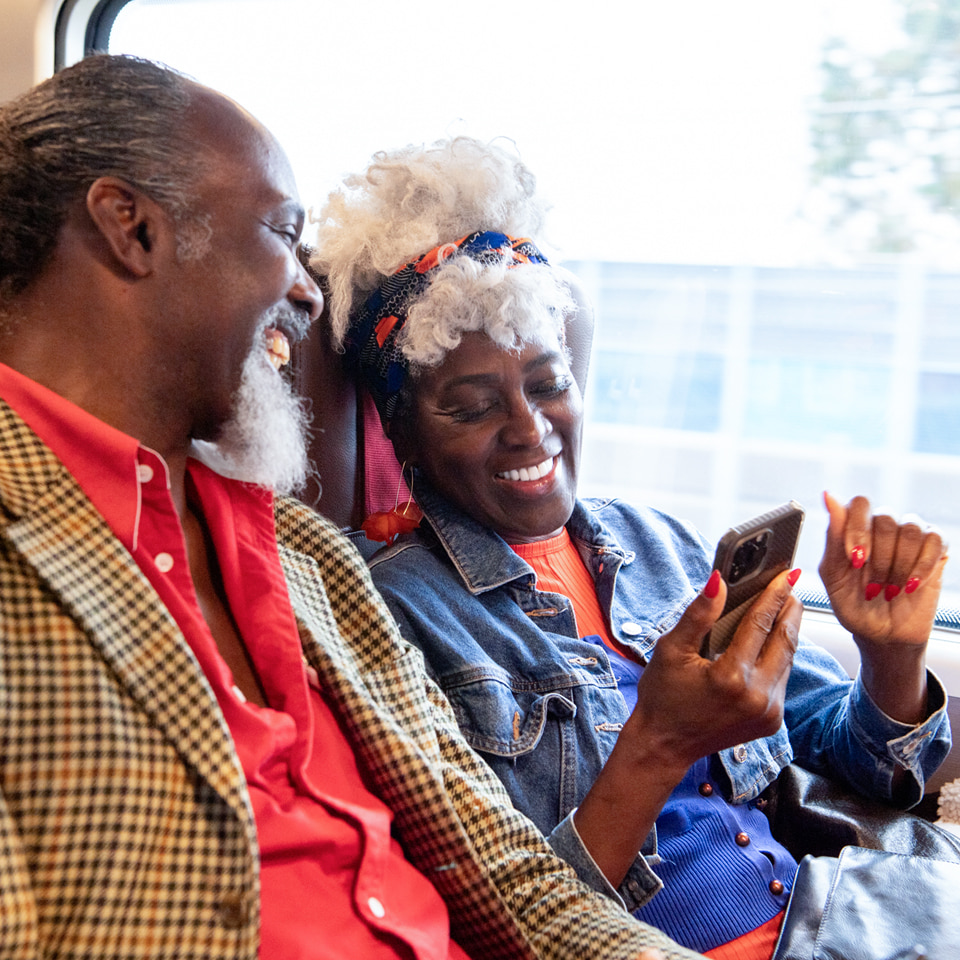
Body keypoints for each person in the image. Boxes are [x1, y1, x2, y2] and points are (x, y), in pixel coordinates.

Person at [0, 55, 701, 960]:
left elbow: (513, 880)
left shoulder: (302, 551)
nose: (304, 290)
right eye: (281, 235)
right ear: (129, 228)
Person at [309, 136, 953, 959]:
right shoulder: (388, 611)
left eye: (549, 385)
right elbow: (502, 925)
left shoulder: (656, 544)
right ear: (401, 432)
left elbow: (848, 758)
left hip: (824, 918)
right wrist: (660, 744)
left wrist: (888, 657)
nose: (530, 429)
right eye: (473, 407)